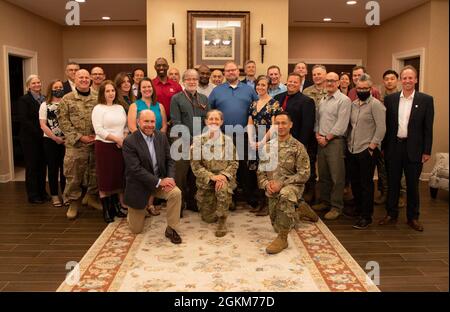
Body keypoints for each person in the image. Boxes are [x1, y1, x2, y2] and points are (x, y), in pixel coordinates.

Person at [379, 65, 434, 232]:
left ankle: (413, 218)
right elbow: (386, 126)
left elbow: (428, 128)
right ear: (400, 80)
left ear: (416, 80)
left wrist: (426, 151)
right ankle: (391, 214)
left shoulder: (426, 100)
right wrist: (384, 147)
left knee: (412, 185)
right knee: (393, 183)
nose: (408, 80)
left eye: (411, 78)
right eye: (405, 78)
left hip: (415, 149)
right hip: (394, 147)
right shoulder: (391, 99)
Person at [122, 109, 183, 244]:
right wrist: (159, 181)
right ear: (138, 122)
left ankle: (171, 229)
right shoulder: (129, 141)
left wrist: (171, 178)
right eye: (146, 121)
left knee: (175, 193)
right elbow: (135, 170)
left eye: (152, 121)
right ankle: (136, 212)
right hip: (139, 185)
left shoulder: (161, 136)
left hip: (159, 181)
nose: (149, 125)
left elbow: (170, 160)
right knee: (136, 229)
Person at [257, 112, 310, 254]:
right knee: (276, 224)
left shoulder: (298, 147)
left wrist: (283, 183)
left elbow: (304, 174)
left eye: (284, 123)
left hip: (292, 186)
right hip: (273, 188)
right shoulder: (267, 147)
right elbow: (260, 171)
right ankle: (300, 208)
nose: (280, 126)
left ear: (290, 125)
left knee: (285, 196)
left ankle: (282, 238)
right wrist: (266, 184)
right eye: (277, 123)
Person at [209, 61, 259, 210]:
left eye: (233, 70)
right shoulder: (217, 90)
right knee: (226, 167)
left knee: (245, 166)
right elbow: (210, 112)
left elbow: (256, 110)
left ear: (238, 72)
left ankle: (249, 196)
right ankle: (231, 197)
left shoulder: (249, 90)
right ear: (225, 73)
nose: (231, 72)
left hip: (243, 135)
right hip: (223, 136)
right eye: (228, 70)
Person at [57, 69, 101, 220]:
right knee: (74, 175)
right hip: (76, 145)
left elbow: (103, 117)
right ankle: (73, 203)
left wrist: (98, 135)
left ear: (90, 80)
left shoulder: (97, 97)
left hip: (95, 142)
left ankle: (91, 197)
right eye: (80, 77)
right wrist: (79, 137)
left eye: (86, 77)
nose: (83, 80)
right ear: (74, 80)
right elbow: (63, 122)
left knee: (96, 172)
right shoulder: (66, 99)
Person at [347, 74, 386, 229]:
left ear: (370, 89)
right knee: (355, 183)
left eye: (365, 88)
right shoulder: (353, 104)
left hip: (367, 150)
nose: (362, 90)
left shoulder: (376, 105)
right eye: (359, 88)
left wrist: (372, 146)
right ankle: (358, 209)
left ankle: (366, 216)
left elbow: (381, 127)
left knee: (366, 184)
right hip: (352, 149)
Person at [191, 109, 238, 237]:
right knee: (208, 218)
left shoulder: (227, 141)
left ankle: (222, 221)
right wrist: (212, 177)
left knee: (222, 187)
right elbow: (195, 166)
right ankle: (221, 203)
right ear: (206, 121)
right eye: (211, 119)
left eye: (217, 119)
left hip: (224, 180)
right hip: (206, 182)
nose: (214, 121)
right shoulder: (197, 141)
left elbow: (234, 163)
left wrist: (222, 176)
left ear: (221, 122)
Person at [312, 72, 352, 220]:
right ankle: (325, 201)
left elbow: (341, 125)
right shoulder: (323, 99)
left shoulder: (344, 100)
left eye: (332, 81)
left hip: (335, 142)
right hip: (321, 140)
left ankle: (336, 206)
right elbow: (318, 120)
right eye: (327, 81)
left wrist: (327, 138)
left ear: (338, 83)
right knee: (323, 175)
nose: (329, 83)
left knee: (337, 176)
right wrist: (317, 135)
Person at [275, 73, 317, 212]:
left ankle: (303, 202)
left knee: (300, 171)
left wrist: (302, 144)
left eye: (295, 82)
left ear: (300, 84)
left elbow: (307, 125)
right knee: (283, 171)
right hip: (280, 141)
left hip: (298, 142)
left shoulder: (307, 101)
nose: (292, 84)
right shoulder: (277, 98)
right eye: (290, 81)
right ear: (286, 82)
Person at [170, 69, 209, 214]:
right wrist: (190, 141)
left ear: (198, 81)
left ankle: (193, 202)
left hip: (200, 144)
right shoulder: (176, 98)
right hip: (181, 143)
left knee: (195, 175)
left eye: (195, 79)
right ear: (183, 81)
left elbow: (208, 122)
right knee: (180, 176)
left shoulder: (204, 99)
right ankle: (178, 206)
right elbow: (176, 122)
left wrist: (201, 141)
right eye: (189, 79)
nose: (192, 82)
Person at [128, 77, 168, 215]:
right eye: (143, 87)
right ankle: (141, 205)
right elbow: (132, 126)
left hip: (156, 143)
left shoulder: (159, 106)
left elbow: (163, 126)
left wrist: (158, 140)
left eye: (149, 87)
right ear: (139, 90)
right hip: (140, 144)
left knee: (155, 171)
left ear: (153, 88)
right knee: (144, 172)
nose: (147, 89)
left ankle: (150, 204)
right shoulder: (135, 105)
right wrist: (142, 141)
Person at [92, 80, 128, 223]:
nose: (111, 93)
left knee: (117, 177)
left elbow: (125, 127)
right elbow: (99, 130)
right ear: (102, 93)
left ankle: (116, 207)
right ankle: (106, 210)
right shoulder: (98, 108)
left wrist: (123, 139)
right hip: (105, 146)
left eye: (112, 90)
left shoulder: (119, 107)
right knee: (105, 179)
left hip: (119, 147)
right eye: (107, 91)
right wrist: (117, 139)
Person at [247, 75, 282, 216]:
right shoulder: (253, 104)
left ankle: (269, 204)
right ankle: (259, 202)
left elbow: (274, 126)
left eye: (263, 85)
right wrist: (251, 140)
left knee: (268, 172)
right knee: (256, 172)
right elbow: (250, 122)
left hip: (268, 142)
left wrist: (262, 142)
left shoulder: (274, 104)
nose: (260, 87)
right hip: (254, 142)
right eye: (258, 85)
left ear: (268, 86)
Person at [375, 69, 406, 207]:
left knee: (400, 170)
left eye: (392, 78)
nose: (389, 81)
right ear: (384, 81)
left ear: (397, 80)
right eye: (386, 79)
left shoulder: (402, 97)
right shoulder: (379, 98)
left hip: (398, 138)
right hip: (383, 138)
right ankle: (384, 193)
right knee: (383, 168)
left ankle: (400, 195)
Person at [18, 74, 48, 204]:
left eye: (38, 82)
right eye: (33, 83)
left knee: (42, 166)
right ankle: (33, 195)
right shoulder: (24, 100)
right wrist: (40, 131)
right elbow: (24, 120)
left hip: (43, 138)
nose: (37, 85)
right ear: (28, 86)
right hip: (30, 138)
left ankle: (42, 192)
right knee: (32, 166)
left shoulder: (45, 99)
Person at [302, 65, 328, 203]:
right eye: (315, 74)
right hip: (311, 132)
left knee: (325, 166)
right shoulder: (306, 91)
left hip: (326, 132)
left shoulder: (329, 91)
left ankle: (325, 197)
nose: (317, 76)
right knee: (310, 163)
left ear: (325, 75)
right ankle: (310, 191)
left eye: (319, 74)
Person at [39, 79, 66, 207]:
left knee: (65, 169)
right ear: (51, 89)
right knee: (53, 169)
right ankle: (55, 195)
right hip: (50, 141)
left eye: (60, 87)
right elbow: (43, 125)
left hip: (66, 141)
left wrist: (66, 138)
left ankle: (66, 195)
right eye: (56, 87)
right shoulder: (45, 104)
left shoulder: (66, 103)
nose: (58, 89)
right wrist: (56, 138)